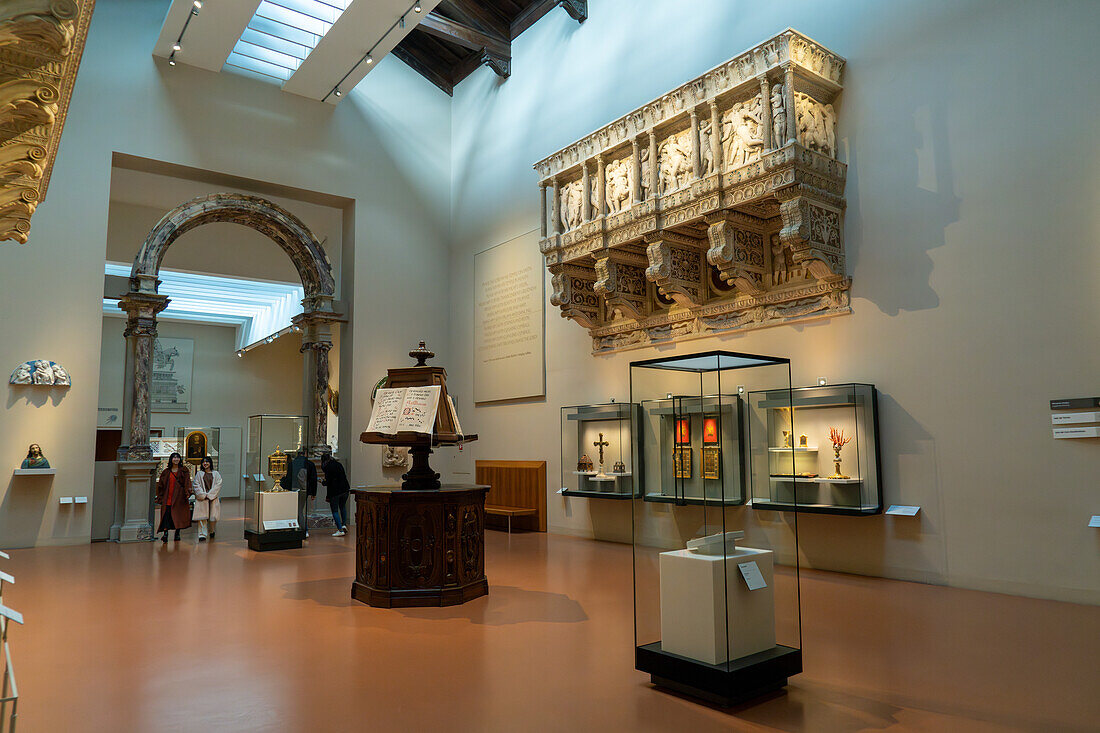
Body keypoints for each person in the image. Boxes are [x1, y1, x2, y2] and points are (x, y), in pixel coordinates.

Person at [155, 452, 192, 543]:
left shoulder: (184, 470)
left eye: (178, 457)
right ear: (171, 459)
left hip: (179, 497)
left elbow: (187, 483)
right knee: (166, 515)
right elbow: (161, 485)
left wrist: (187, 493)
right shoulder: (166, 472)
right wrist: (160, 497)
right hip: (168, 497)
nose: (176, 459)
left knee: (178, 515)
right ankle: (165, 534)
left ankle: (177, 533)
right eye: (174, 457)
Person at [281, 448, 317, 538]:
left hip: (292, 489)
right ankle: (304, 530)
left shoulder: (292, 464)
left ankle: (297, 528)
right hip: (304, 490)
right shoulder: (310, 464)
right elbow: (313, 480)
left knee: (295, 510)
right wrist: (313, 493)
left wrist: (284, 489)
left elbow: (287, 478)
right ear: (305, 453)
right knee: (300, 510)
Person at [192, 455, 221, 542]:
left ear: (210, 463)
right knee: (202, 518)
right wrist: (203, 494)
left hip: (213, 499)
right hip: (202, 499)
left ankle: (212, 531)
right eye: (203, 462)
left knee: (213, 517)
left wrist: (211, 495)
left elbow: (218, 485)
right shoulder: (199, 474)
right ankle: (202, 534)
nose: (205, 463)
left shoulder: (216, 474)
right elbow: (196, 485)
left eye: (207, 462)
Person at [320, 453, 349, 537]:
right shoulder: (338, 464)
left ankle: (340, 530)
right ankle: (344, 525)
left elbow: (327, 482)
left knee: (335, 510)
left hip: (334, 491)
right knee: (343, 507)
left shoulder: (327, 467)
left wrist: (322, 482)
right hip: (345, 489)